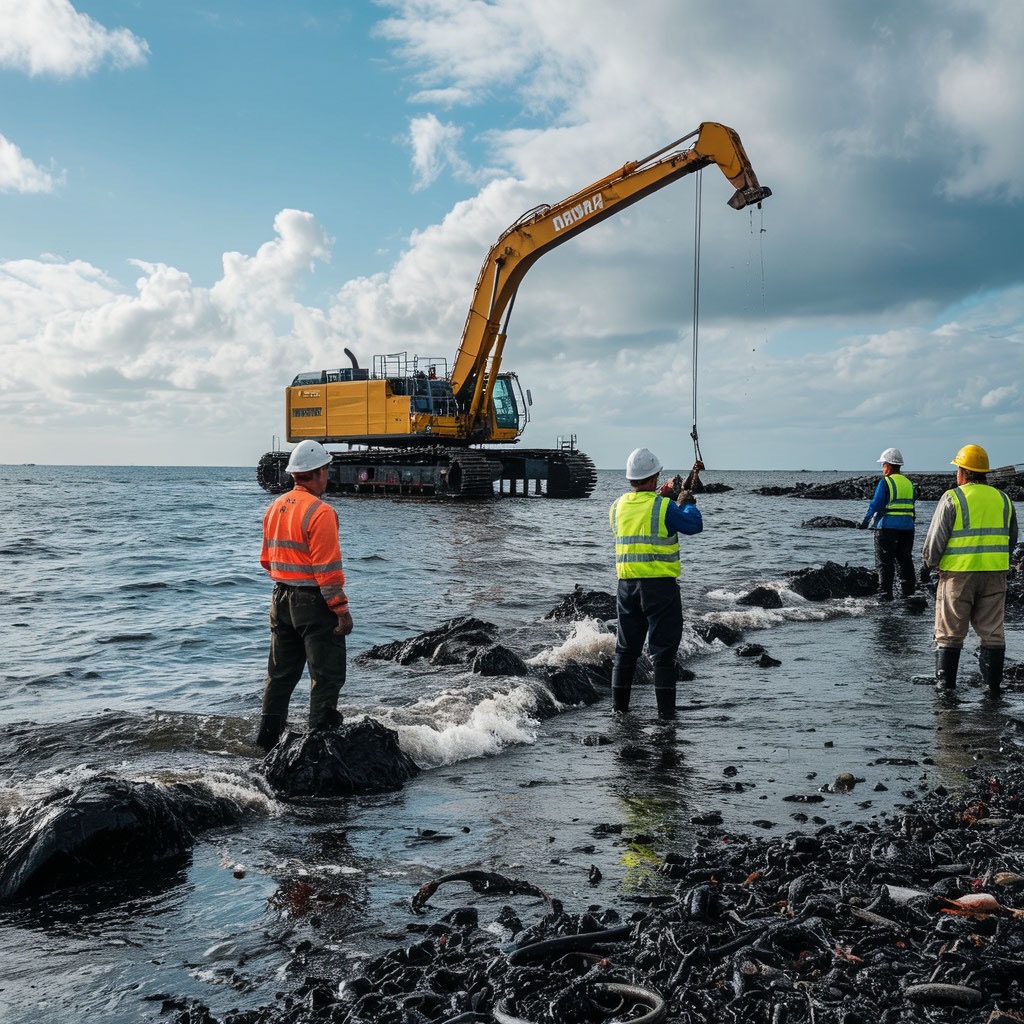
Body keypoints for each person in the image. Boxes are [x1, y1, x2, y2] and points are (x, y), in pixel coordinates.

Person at [255, 440, 353, 752]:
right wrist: (341, 610)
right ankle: (318, 743)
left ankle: (266, 740)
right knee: (326, 675)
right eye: (327, 470)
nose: (328, 476)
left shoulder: (275, 508)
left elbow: (266, 561)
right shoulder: (321, 512)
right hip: (314, 603)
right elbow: (328, 570)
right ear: (318, 472)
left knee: (280, 674)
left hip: (279, 599)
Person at [609, 447, 704, 720]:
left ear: (631, 479)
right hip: (660, 589)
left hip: (626, 588)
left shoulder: (616, 507)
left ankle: (619, 712)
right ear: (653, 477)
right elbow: (692, 525)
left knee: (625, 652)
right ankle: (665, 717)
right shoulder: (664, 506)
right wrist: (687, 501)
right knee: (663, 654)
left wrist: (660, 496)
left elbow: (640, 517)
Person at [920, 443, 1017, 695]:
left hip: (957, 577)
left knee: (949, 634)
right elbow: (1012, 539)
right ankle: (993, 690)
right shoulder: (1003, 499)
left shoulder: (953, 497)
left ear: (963, 471)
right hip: (995, 576)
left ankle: (946, 690)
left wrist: (927, 565)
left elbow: (935, 540)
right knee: (993, 633)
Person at [859, 447, 916, 600]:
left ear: (889, 466)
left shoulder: (886, 482)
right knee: (905, 560)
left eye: (883, 465)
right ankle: (909, 593)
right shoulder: (909, 484)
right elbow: (912, 507)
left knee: (884, 563)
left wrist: (865, 522)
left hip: (886, 528)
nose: (883, 468)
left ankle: (885, 596)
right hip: (908, 528)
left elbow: (875, 504)